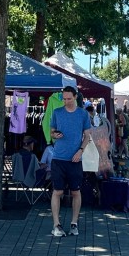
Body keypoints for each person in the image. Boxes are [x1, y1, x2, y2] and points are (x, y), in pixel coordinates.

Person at [49, 86, 92, 238]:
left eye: (69, 98)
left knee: (75, 191)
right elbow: (51, 132)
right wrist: (55, 135)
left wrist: (80, 151)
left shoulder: (83, 114)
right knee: (58, 191)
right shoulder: (57, 112)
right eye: (64, 99)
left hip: (75, 159)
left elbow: (87, 136)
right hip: (58, 158)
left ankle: (74, 223)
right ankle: (56, 224)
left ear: (75, 97)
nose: (66, 101)